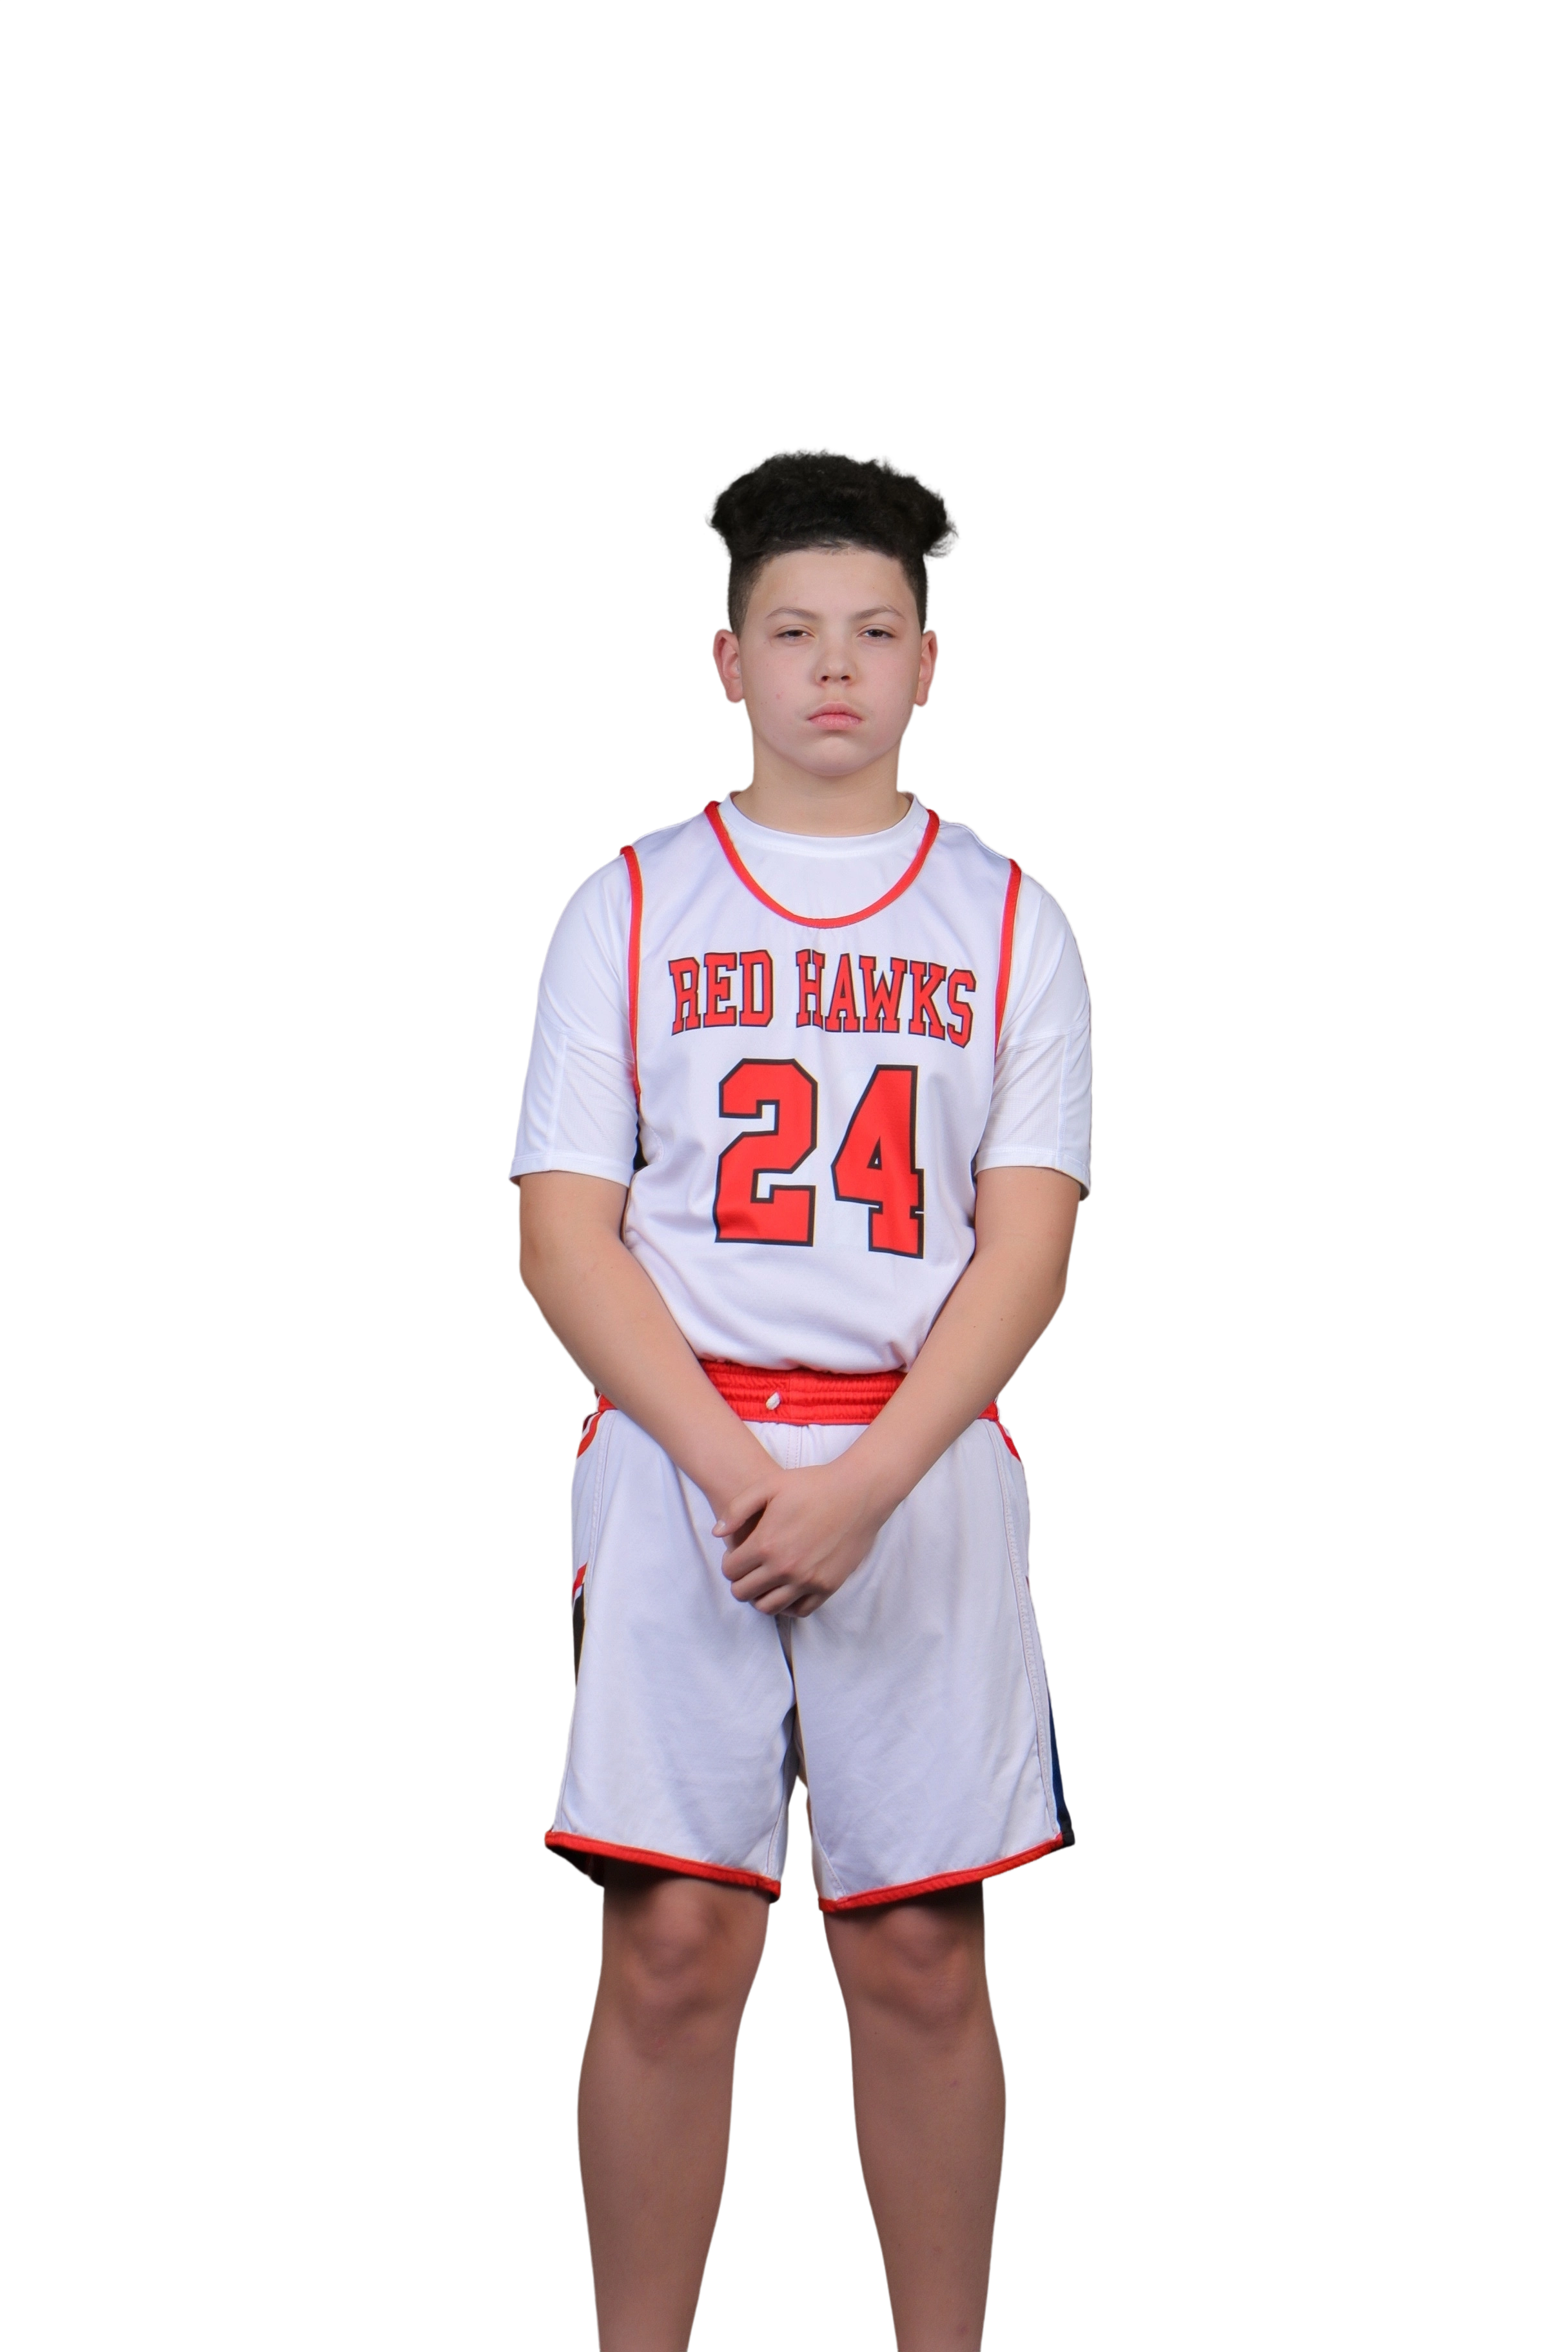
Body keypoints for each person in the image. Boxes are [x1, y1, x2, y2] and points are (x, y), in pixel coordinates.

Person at [507, 444, 1091, 2352]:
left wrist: (863, 1482)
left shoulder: (1009, 920)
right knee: (675, 1943)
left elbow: (1026, 1250)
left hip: (918, 1463)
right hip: (684, 1456)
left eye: (874, 631)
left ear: (931, 663)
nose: (834, 666)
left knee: (917, 1948)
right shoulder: (630, 904)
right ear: (726, 660)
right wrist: (739, 1470)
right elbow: (565, 1238)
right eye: (791, 631)